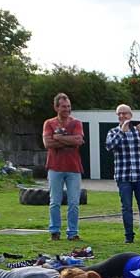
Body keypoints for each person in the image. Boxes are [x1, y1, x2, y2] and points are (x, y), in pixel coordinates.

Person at [105, 105, 140, 245]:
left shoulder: (138, 131)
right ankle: (129, 237)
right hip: (123, 177)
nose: (122, 116)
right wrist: (122, 132)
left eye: (124, 113)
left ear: (131, 115)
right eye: (119, 114)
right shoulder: (113, 132)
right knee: (126, 208)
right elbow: (109, 146)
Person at [42, 92, 86, 242]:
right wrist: (69, 140)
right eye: (63, 106)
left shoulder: (77, 123)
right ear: (56, 107)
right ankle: (54, 231)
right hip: (55, 167)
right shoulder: (49, 123)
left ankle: (72, 232)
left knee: (74, 202)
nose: (67, 109)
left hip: (74, 167)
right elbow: (48, 143)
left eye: (68, 106)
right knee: (55, 201)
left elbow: (79, 140)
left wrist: (59, 138)